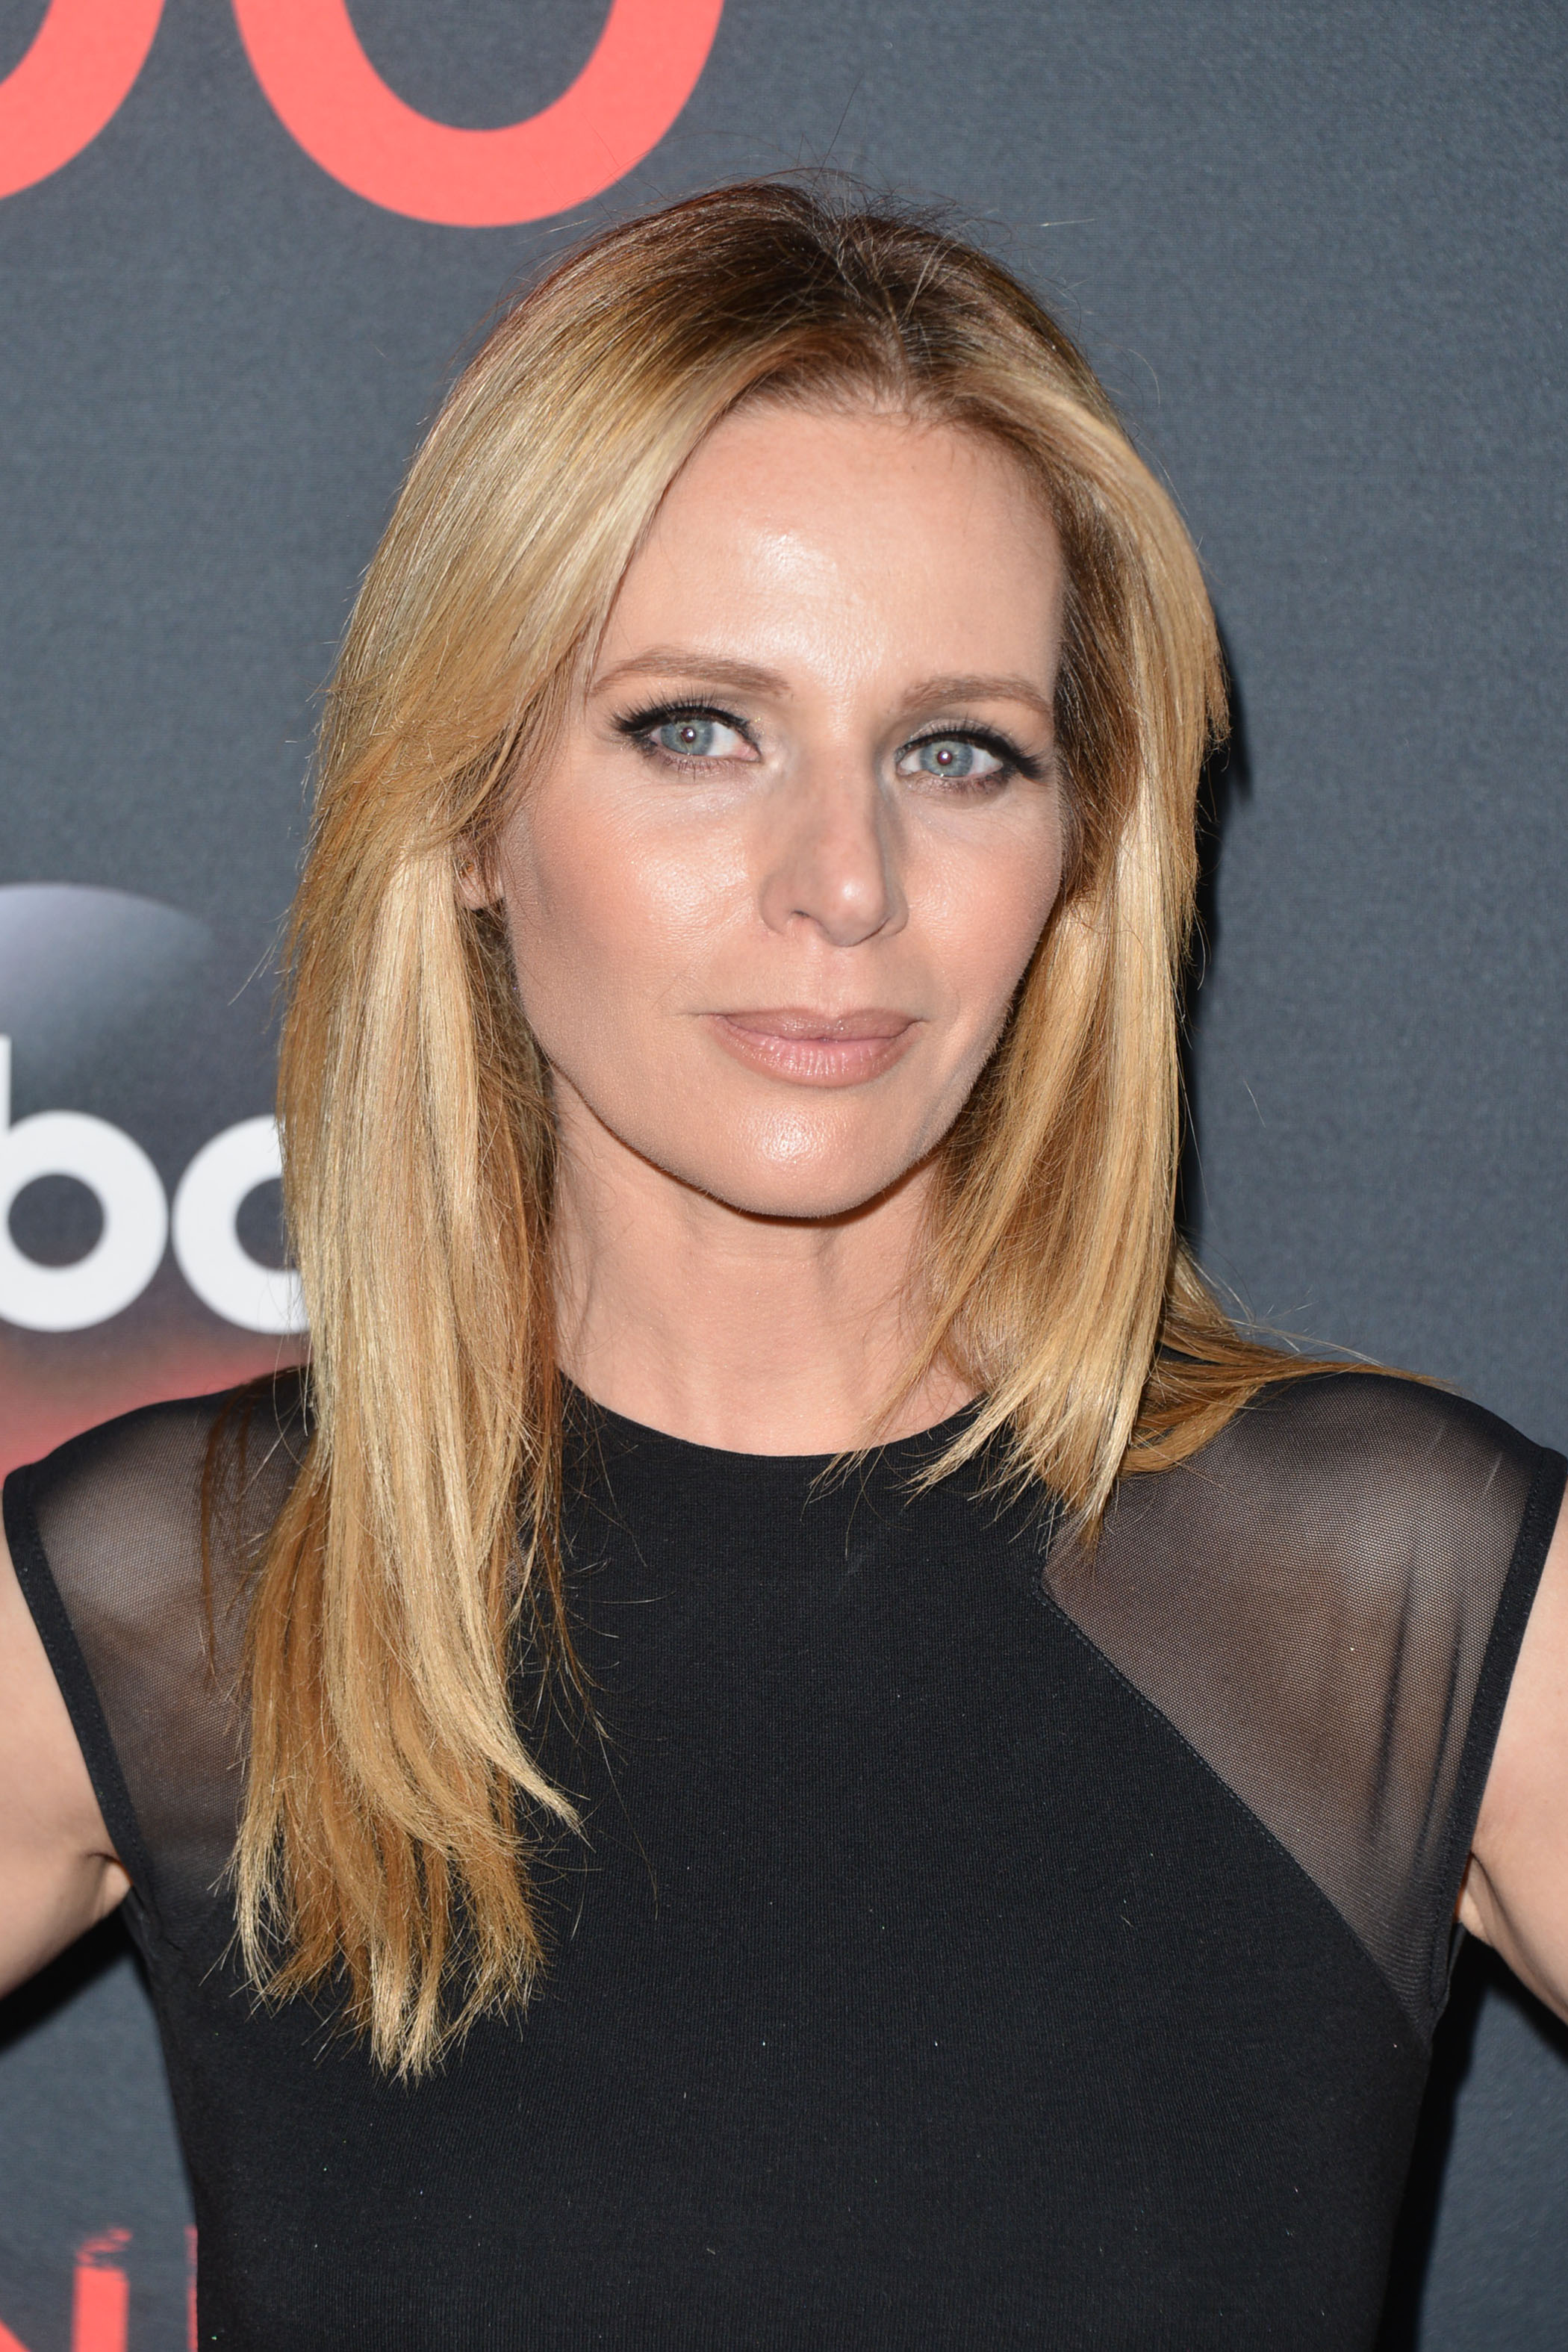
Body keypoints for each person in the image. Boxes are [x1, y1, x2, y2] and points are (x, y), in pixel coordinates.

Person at [0, 179, 1563, 2350]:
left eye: (958, 752)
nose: (846, 880)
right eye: (697, 729)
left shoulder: (1387, 1604)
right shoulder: (194, 1599)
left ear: (1077, 852)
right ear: (467, 804)